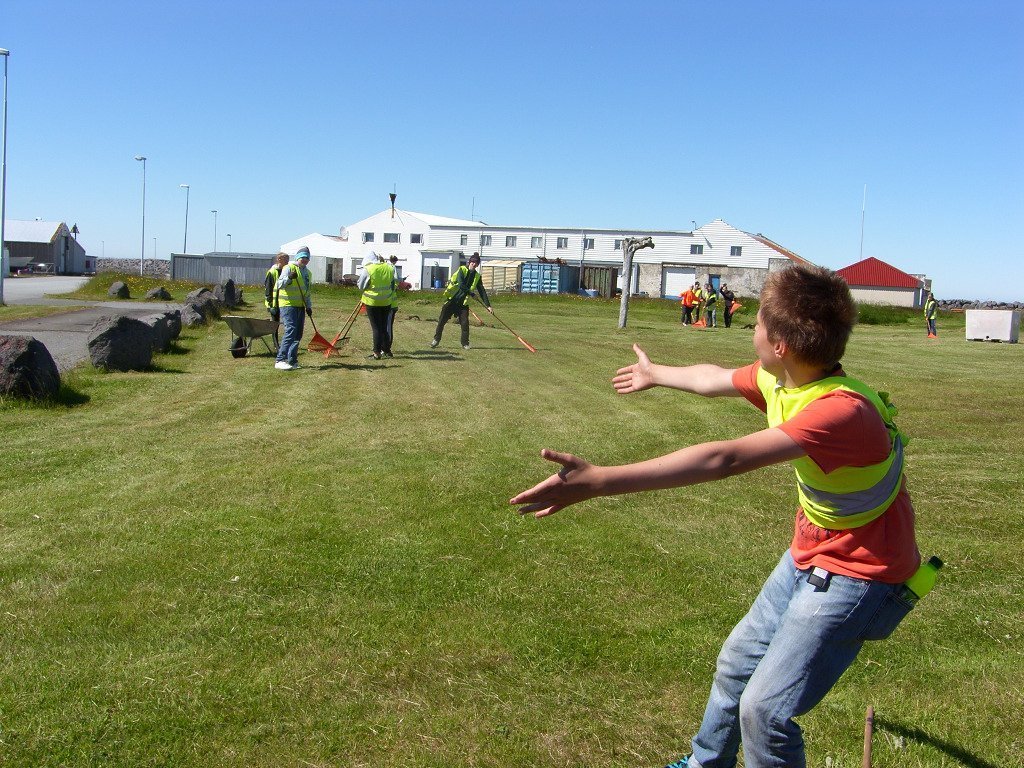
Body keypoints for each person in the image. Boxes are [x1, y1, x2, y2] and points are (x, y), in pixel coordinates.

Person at [511, 264, 921, 768]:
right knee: (735, 667)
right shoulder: (789, 379)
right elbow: (714, 379)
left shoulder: (840, 412)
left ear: (779, 345)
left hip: (860, 573)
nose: (752, 328)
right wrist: (656, 374)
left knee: (765, 711)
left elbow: (722, 459)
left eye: (758, 322)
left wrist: (599, 481)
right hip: (811, 552)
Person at [430, 252, 493, 350]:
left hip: (463, 304)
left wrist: (488, 306)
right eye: (473, 262)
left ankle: (465, 343)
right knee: (441, 321)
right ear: (469, 262)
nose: (474, 264)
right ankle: (436, 340)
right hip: (452, 300)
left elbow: (482, 291)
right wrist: (472, 294)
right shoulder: (462, 270)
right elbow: (461, 284)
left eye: (476, 263)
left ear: (478, 265)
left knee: (465, 324)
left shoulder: (477, 276)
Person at [274, 247, 313, 370]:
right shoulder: (289, 268)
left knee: (298, 334)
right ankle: (280, 360)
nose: (305, 260)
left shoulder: (308, 273)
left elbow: (307, 292)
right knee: (291, 330)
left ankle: (292, 360)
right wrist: (289, 278)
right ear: (297, 258)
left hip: (300, 306)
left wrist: (309, 306)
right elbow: (279, 285)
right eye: (303, 257)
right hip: (287, 305)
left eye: (307, 258)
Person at [359, 251, 396, 359]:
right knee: (383, 327)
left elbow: (361, 285)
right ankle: (387, 350)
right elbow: (392, 285)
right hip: (386, 302)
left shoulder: (368, 269)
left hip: (372, 302)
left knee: (376, 328)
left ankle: (377, 352)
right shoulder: (389, 268)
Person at [264, 252, 289, 348]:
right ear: (279, 260)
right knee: (275, 324)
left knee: (287, 323)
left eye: (287, 259)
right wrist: (270, 304)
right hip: (274, 303)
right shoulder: (272, 272)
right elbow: (268, 289)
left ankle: (286, 343)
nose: (287, 261)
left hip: (284, 302)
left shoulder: (286, 271)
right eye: (285, 259)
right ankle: (276, 344)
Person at [387, 255, 401, 352]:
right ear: (395, 261)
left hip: (388, 302)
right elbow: (396, 279)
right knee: (388, 326)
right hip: (392, 303)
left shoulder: (387, 267)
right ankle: (387, 346)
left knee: (386, 326)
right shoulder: (393, 268)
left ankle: (386, 347)